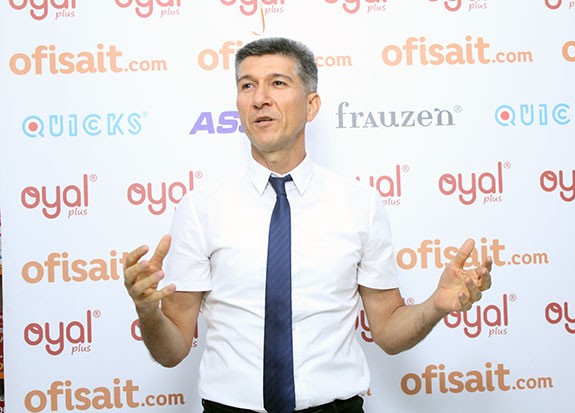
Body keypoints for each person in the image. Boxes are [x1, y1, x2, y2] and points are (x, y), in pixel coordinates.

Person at [123, 37, 492, 413]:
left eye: (277, 83)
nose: (260, 98)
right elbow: (172, 350)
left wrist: (436, 306)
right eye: (247, 85)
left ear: (311, 105)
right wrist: (148, 312)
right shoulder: (200, 208)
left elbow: (388, 329)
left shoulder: (360, 204)